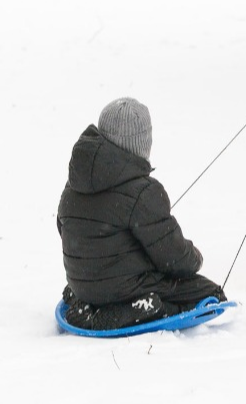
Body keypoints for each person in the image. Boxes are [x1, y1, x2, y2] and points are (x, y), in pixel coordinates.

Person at [57, 97, 226, 330]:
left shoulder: (74, 182)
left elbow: (65, 228)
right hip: (124, 289)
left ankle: (85, 306)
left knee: (118, 278)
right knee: (210, 294)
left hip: (81, 283)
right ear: (142, 143)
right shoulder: (144, 192)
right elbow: (172, 257)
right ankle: (139, 309)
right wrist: (194, 258)